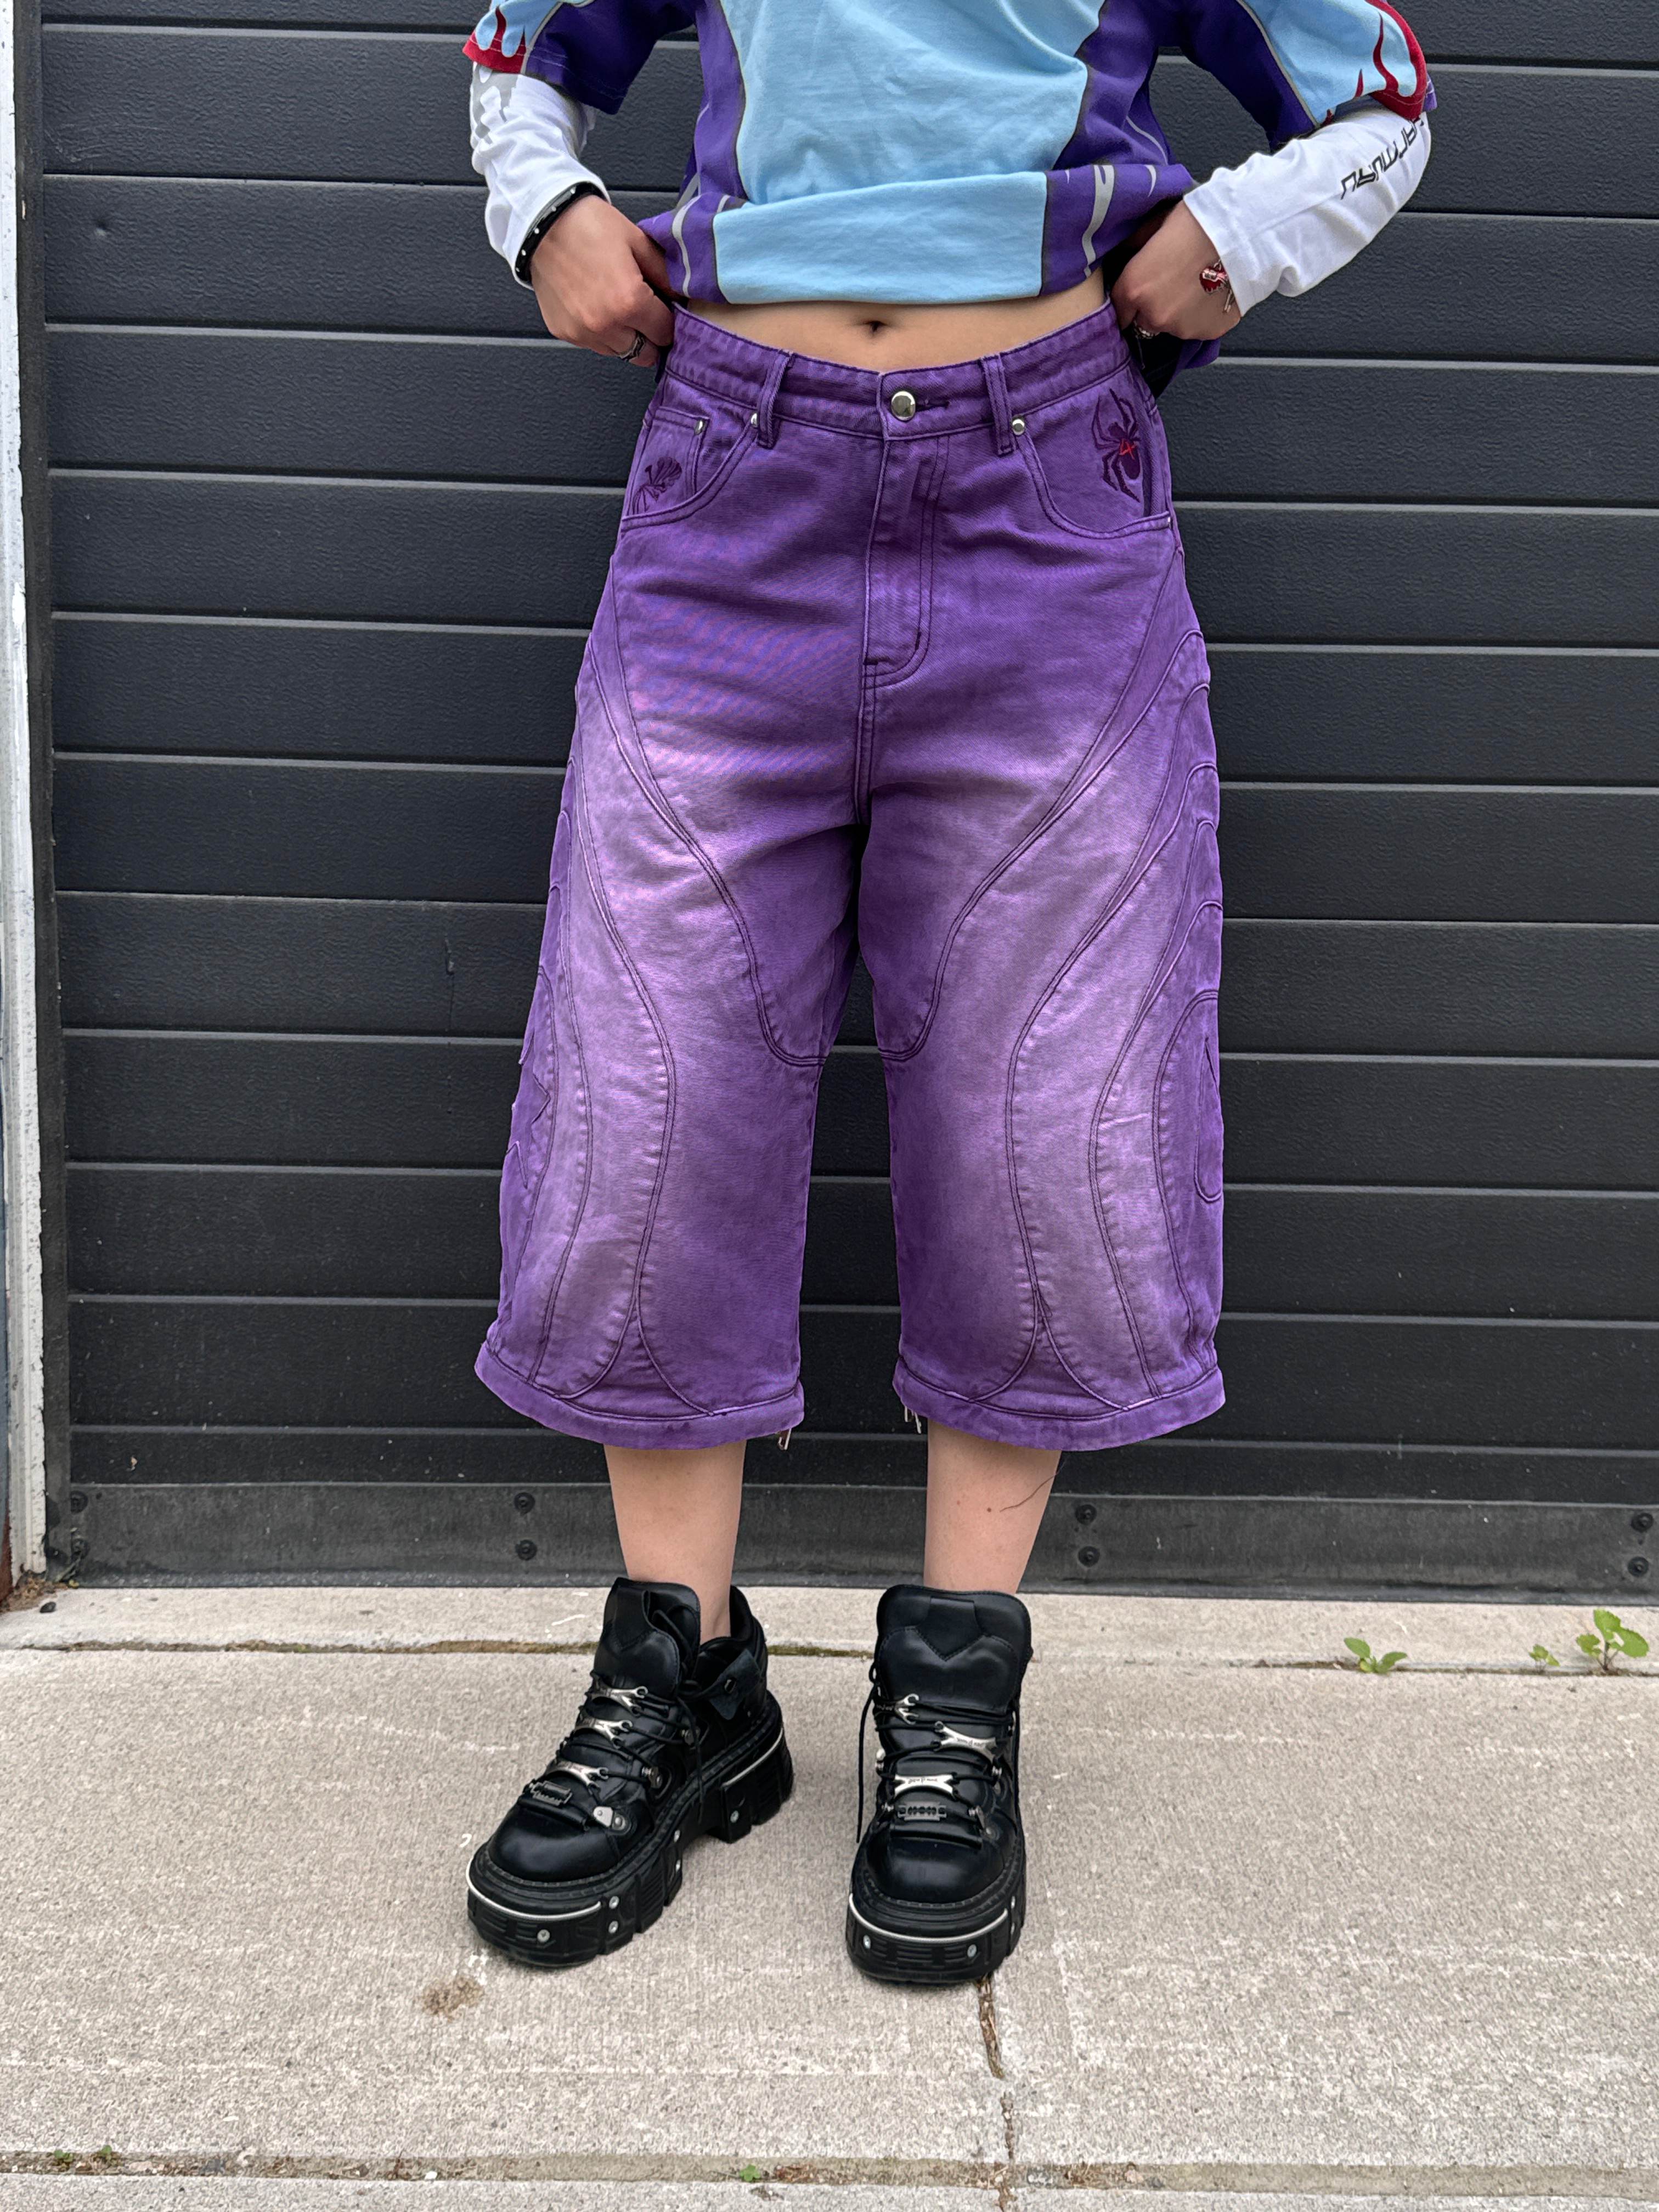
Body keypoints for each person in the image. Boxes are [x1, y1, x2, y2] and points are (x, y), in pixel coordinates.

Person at [459, 0, 1432, 1982]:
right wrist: (545, 206)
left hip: (1045, 499)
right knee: (650, 1088)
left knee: (1045, 1102)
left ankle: (957, 1691)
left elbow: (1383, 97)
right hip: (733, 482)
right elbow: (518, 51)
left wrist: (1238, 236)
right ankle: (682, 1675)